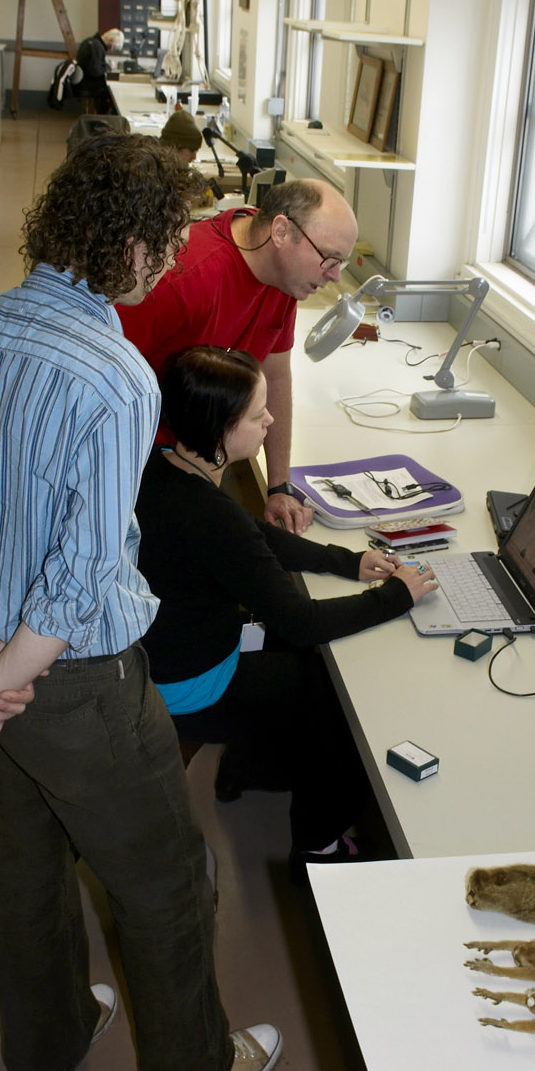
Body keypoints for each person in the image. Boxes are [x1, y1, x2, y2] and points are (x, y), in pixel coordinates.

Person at [0, 134, 280, 1071]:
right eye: (173, 239)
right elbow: (76, 585)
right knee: (167, 880)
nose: (178, 258)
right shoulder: (117, 376)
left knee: (23, 874)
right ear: (135, 245)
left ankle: (45, 1050)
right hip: (74, 686)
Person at [135, 346, 438, 869]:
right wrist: (396, 596)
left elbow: (255, 536)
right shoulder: (208, 514)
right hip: (191, 685)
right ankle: (318, 844)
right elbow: (302, 624)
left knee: (295, 668)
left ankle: (247, 768)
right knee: (334, 705)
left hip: (157, 658)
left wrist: (347, 561)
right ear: (221, 429)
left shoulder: (163, 468)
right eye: (258, 415)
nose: (271, 421)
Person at [118, 177, 359, 533]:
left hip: (195, 458)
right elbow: (98, 374)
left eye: (343, 263)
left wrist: (279, 487)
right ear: (280, 232)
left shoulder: (284, 278)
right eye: (329, 259)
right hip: (139, 463)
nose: (336, 276)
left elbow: (275, 375)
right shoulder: (184, 279)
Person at [75, 25, 124, 113]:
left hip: (84, 80)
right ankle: (103, 118)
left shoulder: (91, 42)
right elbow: (96, 72)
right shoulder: (96, 47)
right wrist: (109, 67)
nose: (111, 50)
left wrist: (106, 66)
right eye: (112, 47)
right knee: (111, 92)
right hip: (88, 84)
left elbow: (95, 65)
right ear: (110, 41)